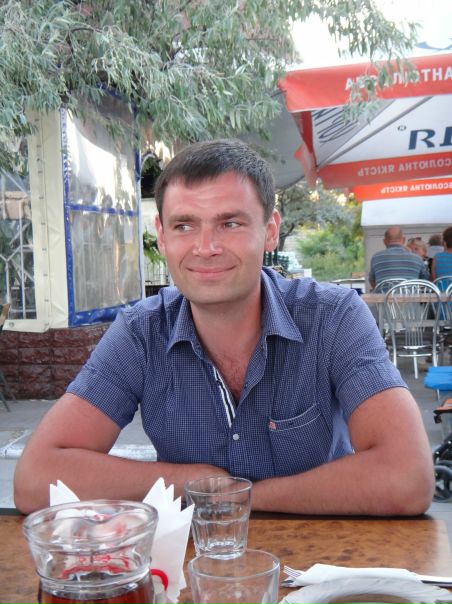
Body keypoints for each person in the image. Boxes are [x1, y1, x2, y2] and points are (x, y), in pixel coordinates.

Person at [14, 139, 434, 516]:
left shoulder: (333, 317)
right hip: (194, 565)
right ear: (162, 236)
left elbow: (407, 476)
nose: (206, 248)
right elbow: (35, 479)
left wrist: (243, 497)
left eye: (230, 223)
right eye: (184, 225)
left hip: (323, 561)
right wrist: (188, 481)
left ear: (270, 231)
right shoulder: (141, 332)